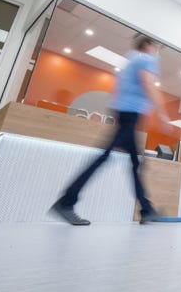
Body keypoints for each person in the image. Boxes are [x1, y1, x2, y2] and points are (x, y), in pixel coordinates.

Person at [50, 36, 170, 225]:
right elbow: (148, 85)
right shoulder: (145, 60)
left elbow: (119, 93)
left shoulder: (129, 62)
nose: (156, 51)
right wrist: (162, 114)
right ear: (147, 45)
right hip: (130, 116)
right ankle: (66, 201)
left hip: (123, 114)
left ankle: (147, 210)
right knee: (105, 158)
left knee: (134, 163)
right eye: (154, 46)